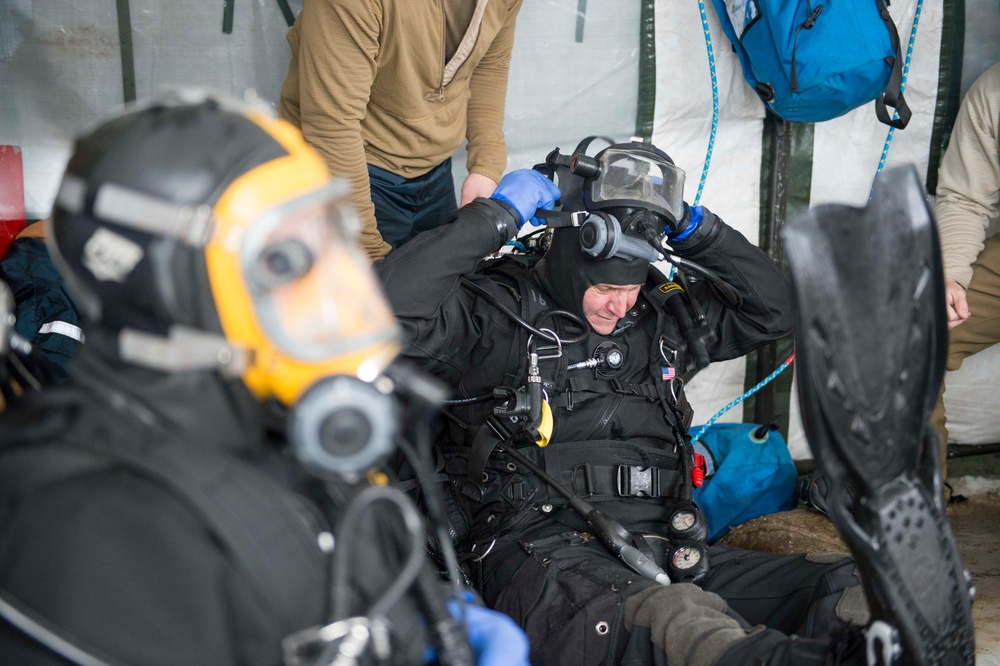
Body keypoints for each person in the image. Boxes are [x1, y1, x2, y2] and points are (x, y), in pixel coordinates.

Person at [376, 141, 976, 664]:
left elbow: (775, 309)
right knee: (680, 621)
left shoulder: (658, 320)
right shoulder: (495, 315)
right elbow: (381, 309)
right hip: (542, 560)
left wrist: (694, 226)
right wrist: (496, 216)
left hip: (673, 551)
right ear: (566, 261)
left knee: (857, 589)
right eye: (606, 289)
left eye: (632, 288)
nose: (621, 307)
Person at [0, 93, 529, 666]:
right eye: (282, 261)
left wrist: (412, 624)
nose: (338, 291)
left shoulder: (275, 428)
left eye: (327, 239)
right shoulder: (87, 533)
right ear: (166, 290)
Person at [278, 0, 524, 261]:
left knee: (444, 291)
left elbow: (490, 66)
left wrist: (486, 166)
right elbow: (332, 125)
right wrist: (368, 252)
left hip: (435, 171)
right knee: (368, 295)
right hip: (354, 171)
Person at [929, 62, 1000, 473]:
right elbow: (966, 199)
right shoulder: (994, 90)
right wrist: (950, 274)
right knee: (914, 327)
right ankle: (918, 514)